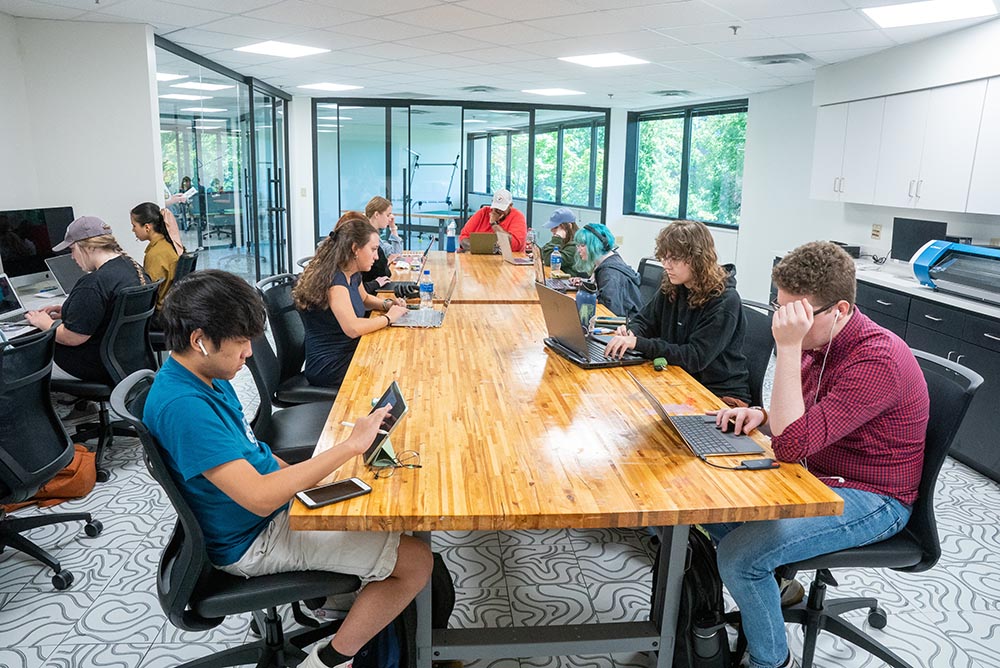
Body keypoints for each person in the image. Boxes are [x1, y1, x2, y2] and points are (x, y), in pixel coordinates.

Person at [143, 269, 432, 668]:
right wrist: (349, 446)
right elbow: (260, 499)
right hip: (253, 537)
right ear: (199, 340)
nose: (248, 354)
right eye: (241, 342)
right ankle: (328, 660)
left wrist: (320, 480)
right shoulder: (183, 406)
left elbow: (255, 452)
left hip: (268, 511)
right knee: (418, 561)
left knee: (380, 513)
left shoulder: (206, 374)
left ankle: (338, 605)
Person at [707, 241, 929, 668]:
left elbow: (790, 446)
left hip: (876, 498)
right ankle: (778, 586)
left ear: (840, 310)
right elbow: (805, 422)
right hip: (819, 475)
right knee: (708, 509)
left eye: (798, 315)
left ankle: (770, 661)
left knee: (739, 556)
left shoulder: (875, 360)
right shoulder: (820, 343)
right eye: (781, 309)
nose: (784, 323)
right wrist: (761, 414)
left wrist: (786, 350)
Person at [604, 221, 751, 406]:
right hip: (679, 377)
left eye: (673, 258)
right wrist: (631, 332)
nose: (666, 265)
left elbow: (694, 357)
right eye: (664, 258)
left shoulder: (725, 301)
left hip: (719, 394)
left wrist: (638, 343)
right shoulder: (674, 285)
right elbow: (645, 320)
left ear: (697, 259)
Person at [24, 216, 149, 382]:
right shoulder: (133, 269)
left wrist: (44, 323)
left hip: (92, 365)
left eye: (72, 250)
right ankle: (82, 408)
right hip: (126, 361)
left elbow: (72, 337)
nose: (72, 257)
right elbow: (111, 314)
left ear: (89, 247)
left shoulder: (93, 283)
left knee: (20, 361)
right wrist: (68, 312)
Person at [293, 214, 408, 388]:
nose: (376, 256)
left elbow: (365, 298)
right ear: (355, 249)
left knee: (392, 355)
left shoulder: (351, 272)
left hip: (347, 350)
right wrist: (388, 318)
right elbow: (353, 328)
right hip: (330, 365)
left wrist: (387, 305)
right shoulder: (335, 282)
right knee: (390, 367)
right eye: (373, 249)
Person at [572, 223, 642, 320]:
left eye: (582, 245)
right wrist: (586, 284)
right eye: (578, 245)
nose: (578, 250)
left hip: (622, 327)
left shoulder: (610, 274)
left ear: (595, 246)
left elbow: (611, 313)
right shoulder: (609, 260)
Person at [130, 202, 181, 314]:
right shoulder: (166, 245)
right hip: (170, 308)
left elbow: (149, 292)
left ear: (147, 227)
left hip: (160, 314)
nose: (133, 230)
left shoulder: (156, 254)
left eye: (134, 226)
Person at [458, 189, 527, 252]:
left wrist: (494, 224)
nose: (498, 211)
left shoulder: (518, 217)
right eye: (496, 208)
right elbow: (463, 237)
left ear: (510, 206)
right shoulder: (483, 213)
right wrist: (479, 249)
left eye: (502, 209)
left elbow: (515, 245)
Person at [361, 196, 402, 294]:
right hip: (371, 289)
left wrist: (393, 227)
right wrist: (387, 261)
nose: (390, 218)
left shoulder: (377, 237)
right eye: (388, 215)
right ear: (376, 214)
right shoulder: (366, 237)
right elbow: (381, 270)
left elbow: (396, 253)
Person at [539, 208, 585, 277]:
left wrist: (557, 237)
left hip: (569, 284)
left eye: (556, 227)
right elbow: (543, 252)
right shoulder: (565, 240)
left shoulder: (576, 245)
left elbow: (549, 260)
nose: (551, 230)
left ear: (569, 226)